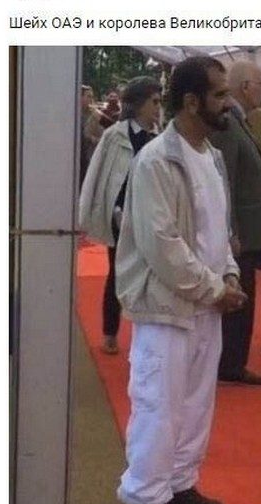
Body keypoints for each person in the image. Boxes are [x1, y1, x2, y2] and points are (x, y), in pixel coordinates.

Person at [115, 55, 247, 504]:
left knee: (195, 405)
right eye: (220, 94)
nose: (229, 103)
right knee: (158, 406)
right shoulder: (156, 159)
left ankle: (179, 483)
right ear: (191, 101)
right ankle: (144, 503)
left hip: (207, 304)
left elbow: (218, 230)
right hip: (167, 309)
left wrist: (228, 273)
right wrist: (215, 288)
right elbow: (163, 245)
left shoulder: (210, 155)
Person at [79, 77, 163, 354]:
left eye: (159, 102)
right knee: (117, 271)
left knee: (150, 274)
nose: (158, 108)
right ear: (138, 104)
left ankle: (145, 333)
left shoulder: (160, 137)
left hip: (150, 216)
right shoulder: (115, 135)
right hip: (120, 214)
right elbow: (96, 173)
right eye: (154, 102)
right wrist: (86, 213)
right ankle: (110, 331)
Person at [210, 61, 261, 386]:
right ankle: (230, 363)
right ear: (246, 87)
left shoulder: (238, 119)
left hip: (246, 230)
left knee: (243, 296)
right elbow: (224, 180)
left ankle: (232, 360)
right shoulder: (228, 123)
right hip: (240, 234)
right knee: (238, 298)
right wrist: (229, 230)